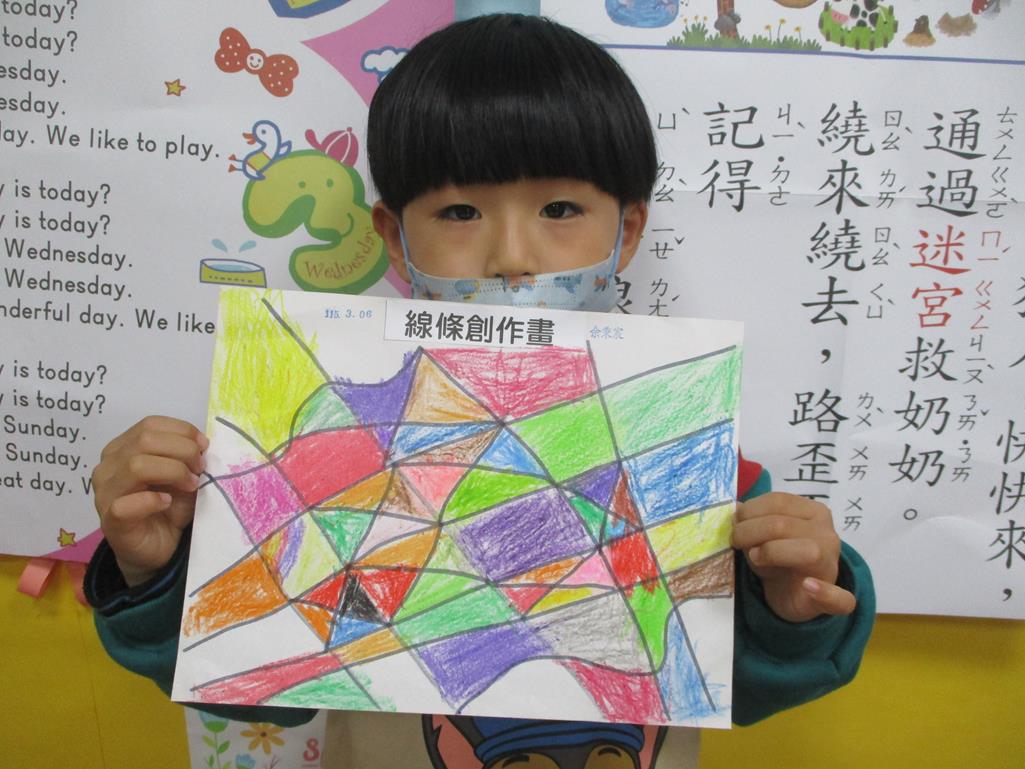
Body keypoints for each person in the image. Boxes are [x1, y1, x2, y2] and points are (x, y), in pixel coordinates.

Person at [85, 13, 875, 769]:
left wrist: (790, 604)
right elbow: (261, 680)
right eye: (460, 211)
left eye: (559, 208)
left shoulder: (694, 467)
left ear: (627, 231)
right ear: (395, 238)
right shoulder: (331, 444)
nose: (511, 256)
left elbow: (742, 681)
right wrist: (155, 573)